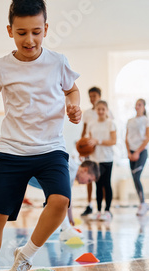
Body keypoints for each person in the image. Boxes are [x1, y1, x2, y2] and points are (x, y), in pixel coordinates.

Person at [0, 0, 82, 271]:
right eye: (21, 33)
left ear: (46, 28)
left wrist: (74, 104)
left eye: (35, 32)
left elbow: (72, 89)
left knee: (60, 201)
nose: (29, 40)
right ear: (9, 31)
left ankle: (24, 257)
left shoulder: (58, 61)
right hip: (13, 150)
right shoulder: (0, 67)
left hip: (51, 148)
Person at [28, 159, 100, 240]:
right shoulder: (71, 167)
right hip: (29, 169)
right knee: (58, 202)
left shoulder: (71, 176)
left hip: (31, 175)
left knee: (58, 201)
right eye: (89, 180)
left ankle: (64, 229)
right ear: (85, 170)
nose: (87, 183)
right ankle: (65, 229)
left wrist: (70, 217)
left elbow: (68, 198)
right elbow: (64, 197)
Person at [86, 100, 116, 221]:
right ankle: (98, 211)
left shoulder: (110, 124)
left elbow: (113, 141)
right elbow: (89, 142)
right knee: (97, 185)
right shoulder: (91, 124)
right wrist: (85, 152)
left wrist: (98, 141)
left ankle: (107, 211)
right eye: (99, 109)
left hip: (107, 158)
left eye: (103, 109)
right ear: (96, 110)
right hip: (95, 158)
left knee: (106, 184)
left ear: (106, 110)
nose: (101, 111)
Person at [125, 99, 149, 216]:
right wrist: (129, 152)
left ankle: (143, 203)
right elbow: (126, 138)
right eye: (136, 104)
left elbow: (147, 138)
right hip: (131, 152)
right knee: (134, 179)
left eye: (139, 105)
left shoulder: (147, 121)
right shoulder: (130, 121)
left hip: (141, 152)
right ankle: (142, 203)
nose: (137, 106)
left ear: (144, 107)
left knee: (137, 177)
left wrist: (137, 152)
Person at [80, 87, 102, 216]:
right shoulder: (87, 113)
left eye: (94, 96)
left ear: (99, 96)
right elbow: (84, 131)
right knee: (88, 177)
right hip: (89, 149)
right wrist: (81, 149)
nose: (92, 99)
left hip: (101, 150)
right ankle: (89, 204)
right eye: (90, 96)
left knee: (101, 180)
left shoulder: (106, 111)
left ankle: (102, 207)